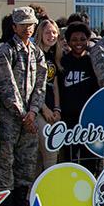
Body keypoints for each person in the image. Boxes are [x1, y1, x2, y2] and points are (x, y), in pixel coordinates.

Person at [0, 6, 47, 206]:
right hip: (10, 116)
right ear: (14, 26)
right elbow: (6, 86)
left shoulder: (36, 52)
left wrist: (33, 112)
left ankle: (21, 200)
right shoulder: (5, 51)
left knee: (27, 158)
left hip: (30, 117)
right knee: (5, 159)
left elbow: (41, 85)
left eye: (31, 24)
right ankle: (3, 204)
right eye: (23, 24)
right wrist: (22, 114)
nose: (27, 28)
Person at [58, 22, 100, 173]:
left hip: (90, 119)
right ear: (68, 41)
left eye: (82, 39)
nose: (78, 43)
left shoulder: (92, 62)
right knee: (71, 159)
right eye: (74, 39)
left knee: (90, 159)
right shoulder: (62, 61)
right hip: (69, 119)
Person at [33, 19, 62, 173]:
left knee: (45, 154)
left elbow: (55, 85)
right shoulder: (34, 54)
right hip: (37, 110)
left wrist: (57, 109)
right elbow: (32, 86)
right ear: (40, 34)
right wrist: (44, 109)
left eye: (54, 32)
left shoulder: (54, 56)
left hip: (53, 110)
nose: (51, 35)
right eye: (47, 32)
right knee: (49, 152)